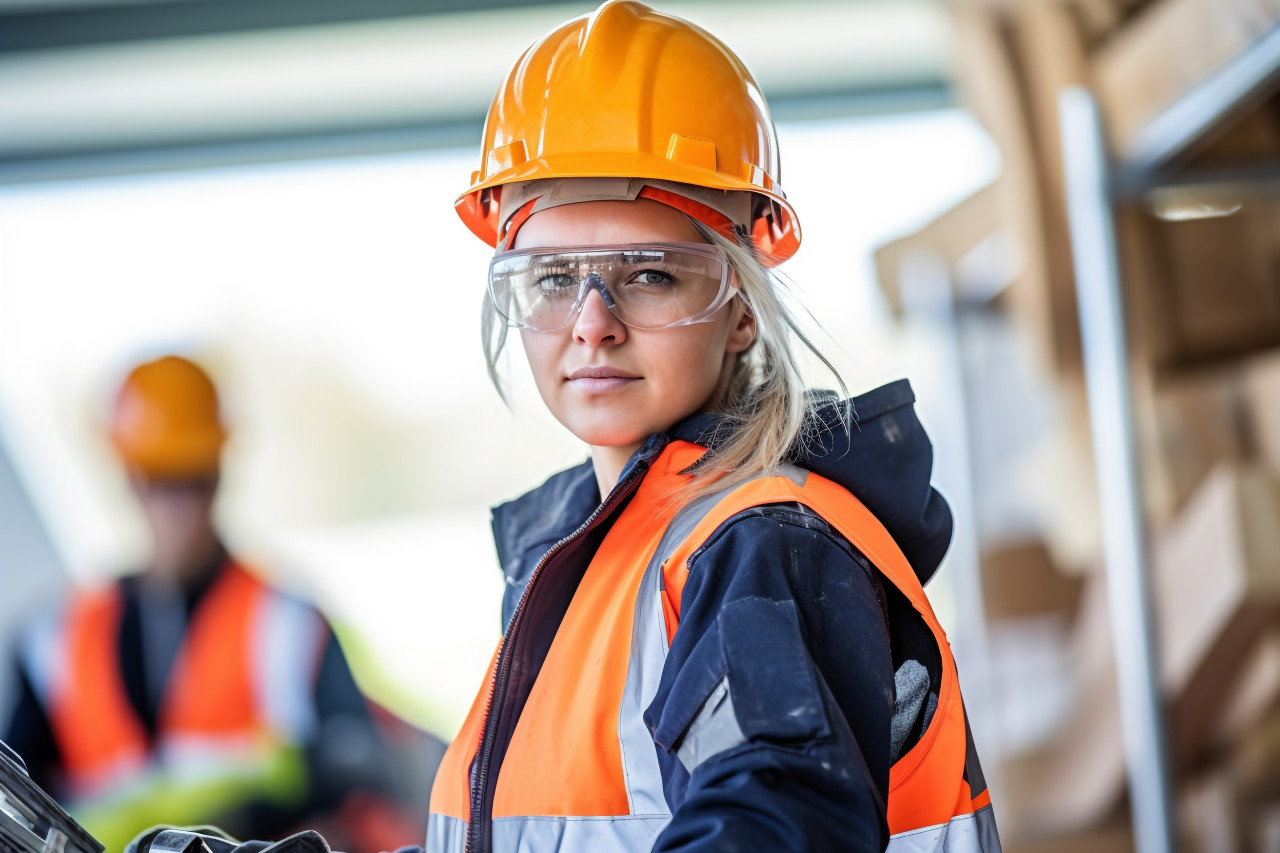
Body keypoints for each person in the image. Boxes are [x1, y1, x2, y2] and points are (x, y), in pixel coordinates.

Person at [419, 2, 1002, 852]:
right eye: (550, 278)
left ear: (740, 310)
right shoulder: (601, 556)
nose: (592, 322)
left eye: (651, 274)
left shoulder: (762, 542)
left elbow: (774, 818)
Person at [3, 355, 426, 853]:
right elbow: (18, 803)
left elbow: (363, 791)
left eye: (192, 478)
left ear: (218, 475)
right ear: (130, 478)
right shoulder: (54, 641)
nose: (175, 505)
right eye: (159, 479)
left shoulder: (288, 626)